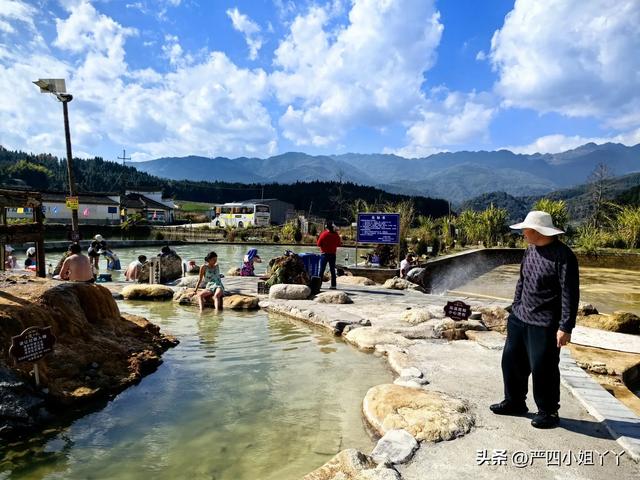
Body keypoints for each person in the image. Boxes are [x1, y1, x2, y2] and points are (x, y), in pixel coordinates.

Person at [490, 211, 579, 429]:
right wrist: (514, 309)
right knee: (511, 362)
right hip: (520, 318)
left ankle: (548, 412)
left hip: (545, 324)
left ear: (537, 231)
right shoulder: (530, 251)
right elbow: (522, 281)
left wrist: (565, 327)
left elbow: (570, 293)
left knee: (543, 368)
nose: (522, 233)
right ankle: (514, 402)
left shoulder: (564, 256)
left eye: (525, 230)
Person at [317, 221, 342, 289]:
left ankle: (319, 285)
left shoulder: (323, 234)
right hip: (332, 254)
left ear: (326, 227)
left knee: (321, 270)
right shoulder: (336, 235)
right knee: (332, 270)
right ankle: (333, 285)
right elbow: (339, 244)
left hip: (324, 254)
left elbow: (318, 244)